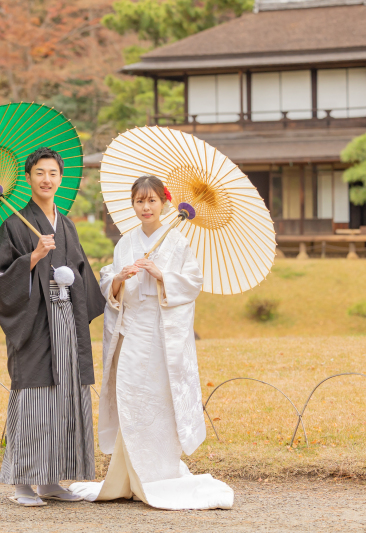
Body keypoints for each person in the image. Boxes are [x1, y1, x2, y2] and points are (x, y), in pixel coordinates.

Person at [70, 175, 234, 510]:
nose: (145, 208)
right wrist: (118, 279)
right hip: (132, 333)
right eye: (139, 201)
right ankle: (126, 477)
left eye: (152, 201)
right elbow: (110, 289)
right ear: (133, 204)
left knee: (159, 403)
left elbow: (192, 284)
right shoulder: (125, 243)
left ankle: (158, 475)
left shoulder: (177, 243)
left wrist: (161, 275)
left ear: (164, 202)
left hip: (161, 336)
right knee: (129, 399)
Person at [0, 147, 106, 507]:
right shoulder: (13, 223)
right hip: (35, 322)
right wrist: (33, 258)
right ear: (28, 178)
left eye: (53, 173)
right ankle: (24, 482)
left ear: (61, 178)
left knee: (65, 395)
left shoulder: (66, 224)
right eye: (39, 173)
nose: (47, 179)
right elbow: (0, 278)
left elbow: (81, 271)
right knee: (35, 397)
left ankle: (52, 479)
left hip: (66, 319)